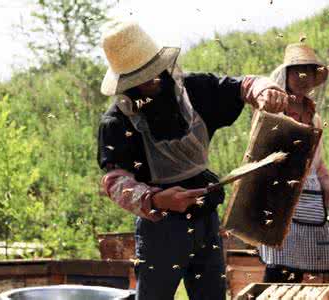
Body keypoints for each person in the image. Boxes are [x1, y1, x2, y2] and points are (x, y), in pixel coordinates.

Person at [96, 19, 292, 300]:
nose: (149, 81)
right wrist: (157, 199)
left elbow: (242, 85)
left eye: (152, 72)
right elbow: (115, 181)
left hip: (206, 217)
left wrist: (263, 89)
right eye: (139, 78)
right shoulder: (116, 122)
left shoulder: (195, 90)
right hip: (161, 227)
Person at [258, 44, 329, 284]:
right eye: (298, 72)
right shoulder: (273, 110)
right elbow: (259, 157)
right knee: (277, 270)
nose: (303, 78)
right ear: (286, 74)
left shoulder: (315, 118)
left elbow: (319, 167)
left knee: (298, 273)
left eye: (309, 73)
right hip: (279, 197)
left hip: (310, 201)